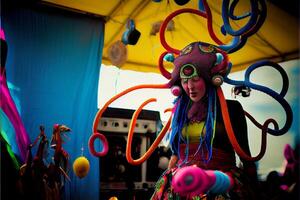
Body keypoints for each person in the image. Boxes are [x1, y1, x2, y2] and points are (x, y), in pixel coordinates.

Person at [151, 42, 259, 200]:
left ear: (209, 79)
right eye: (184, 81)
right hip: (180, 184)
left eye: (195, 79)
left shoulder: (232, 108)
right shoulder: (180, 111)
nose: (189, 87)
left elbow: (246, 158)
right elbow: (175, 154)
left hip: (218, 184)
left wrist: (255, 190)